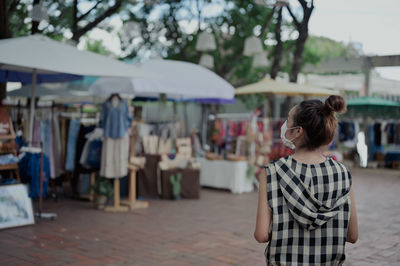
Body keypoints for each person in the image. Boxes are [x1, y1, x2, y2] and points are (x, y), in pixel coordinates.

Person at [254, 95, 358, 265]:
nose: (284, 125)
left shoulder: (272, 172)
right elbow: (352, 236)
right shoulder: (343, 173)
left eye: (288, 120)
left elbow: (261, 235)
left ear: (298, 131)